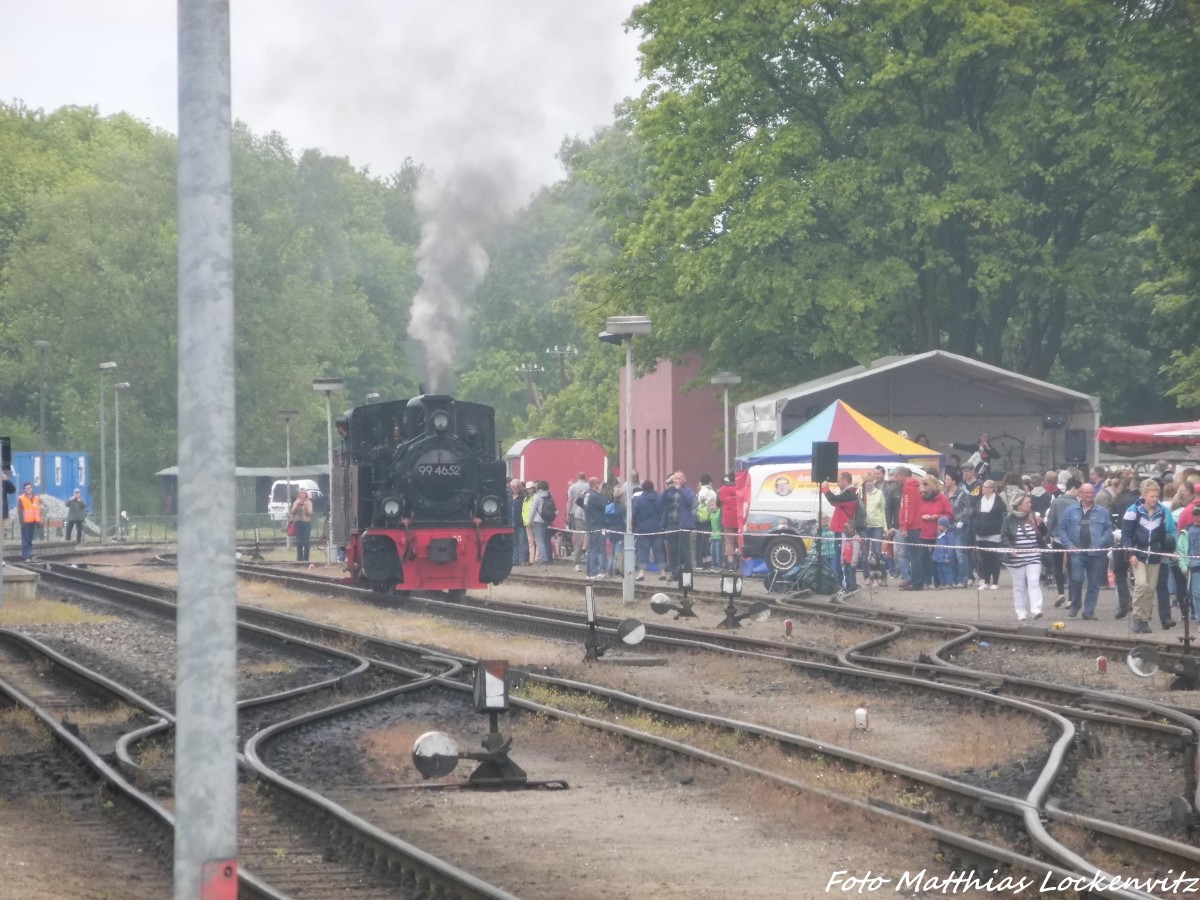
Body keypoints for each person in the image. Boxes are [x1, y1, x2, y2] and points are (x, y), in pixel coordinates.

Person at [1121, 478, 1178, 634]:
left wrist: (1167, 550)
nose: (1155, 499)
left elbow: (1163, 534)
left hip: (1154, 554)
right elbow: (1126, 534)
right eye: (1152, 496)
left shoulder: (1162, 512)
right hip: (1138, 553)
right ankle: (1137, 617)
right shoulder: (1133, 511)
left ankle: (1144, 620)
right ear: (1144, 495)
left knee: (1150, 589)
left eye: (1156, 496)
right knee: (1141, 585)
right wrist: (1130, 553)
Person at [1057, 482, 1114, 620]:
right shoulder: (1070, 511)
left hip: (1096, 554)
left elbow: (1109, 529)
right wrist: (1068, 545)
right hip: (1077, 552)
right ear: (1080, 494)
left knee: (1094, 583)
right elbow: (1061, 528)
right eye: (1086, 493)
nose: (1089, 495)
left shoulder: (1102, 512)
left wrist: (1101, 542)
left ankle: (1089, 611)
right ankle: (1075, 604)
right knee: (1076, 579)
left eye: (1091, 493)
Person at [1002, 493, 1046, 621]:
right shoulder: (1008, 519)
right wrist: (1010, 549)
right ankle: (1021, 611)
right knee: (1019, 585)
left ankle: (1036, 609)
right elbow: (1004, 536)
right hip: (1016, 558)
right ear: (1019, 505)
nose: (1030, 505)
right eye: (1028, 503)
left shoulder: (1033, 516)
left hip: (1033, 555)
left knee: (1034, 581)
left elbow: (1042, 534)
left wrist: (1041, 524)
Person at [907, 475, 952, 591]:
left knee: (937, 559)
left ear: (933, 485)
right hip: (922, 532)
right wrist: (921, 517)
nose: (923, 486)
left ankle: (938, 582)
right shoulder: (919, 498)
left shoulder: (942, 499)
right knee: (923, 558)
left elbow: (949, 515)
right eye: (922, 484)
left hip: (938, 534)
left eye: (926, 484)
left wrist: (936, 517)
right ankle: (925, 581)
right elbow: (913, 513)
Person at [821, 472, 861, 596]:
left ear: (845, 481)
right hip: (843, 530)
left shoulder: (849, 494)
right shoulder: (848, 494)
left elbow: (833, 500)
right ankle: (847, 585)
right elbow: (835, 502)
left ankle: (847, 586)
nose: (837, 483)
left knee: (845, 560)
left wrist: (825, 488)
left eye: (838, 481)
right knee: (843, 559)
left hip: (844, 531)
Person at [1044, 477, 1080, 607]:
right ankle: (1071, 598)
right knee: (1072, 569)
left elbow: (1051, 519)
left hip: (1057, 538)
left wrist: (1047, 535)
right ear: (1074, 489)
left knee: (1057, 567)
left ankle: (1060, 593)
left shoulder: (1057, 501)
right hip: (1073, 540)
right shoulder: (1078, 503)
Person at [659, 471, 697, 579]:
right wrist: (666, 489)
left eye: (679, 479)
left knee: (684, 550)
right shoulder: (669, 492)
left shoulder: (688, 491)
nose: (676, 481)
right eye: (675, 479)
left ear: (684, 479)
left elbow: (689, 501)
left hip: (683, 524)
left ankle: (687, 572)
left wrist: (679, 489)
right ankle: (674, 572)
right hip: (671, 524)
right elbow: (660, 503)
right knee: (672, 550)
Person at [971, 480, 1007, 590]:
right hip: (980, 534)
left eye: (985, 487)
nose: (983, 489)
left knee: (994, 558)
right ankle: (986, 581)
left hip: (994, 534)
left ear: (991, 489)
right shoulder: (979, 501)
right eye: (983, 487)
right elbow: (974, 514)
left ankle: (995, 581)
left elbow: (1002, 517)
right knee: (984, 558)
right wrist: (975, 525)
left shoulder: (999, 502)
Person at [576, 477, 608, 579]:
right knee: (595, 549)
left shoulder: (587, 495)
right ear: (596, 484)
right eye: (598, 483)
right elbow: (605, 507)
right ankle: (594, 572)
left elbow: (578, 502)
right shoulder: (595, 496)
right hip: (597, 524)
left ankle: (589, 572)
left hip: (589, 524)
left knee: (590, 549)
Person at [633, 480, 663, 581]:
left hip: (643, 529)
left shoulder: (639, 499)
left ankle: (641, 573)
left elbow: (634, 514)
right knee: (658, 551)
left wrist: (633, 526)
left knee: (643, 552)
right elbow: (663, 511)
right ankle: (662, 572)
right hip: (657, 529)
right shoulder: (659, 497)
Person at [694, 475, 718, 569]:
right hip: (708, 518)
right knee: (707, 540)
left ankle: (699, 562)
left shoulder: (698, 492)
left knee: (699, 540)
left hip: (698, 518)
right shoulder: (711, 492)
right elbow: (716, 503)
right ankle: (707, 562)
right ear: (710, 482)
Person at [567, 472, 589, 571]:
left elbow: (569, 500)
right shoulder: (589, 487)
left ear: (577, 477)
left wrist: (567, 514)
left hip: (575, 512)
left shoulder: (572, 487)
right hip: (588, 515)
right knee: (588, 536)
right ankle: (585, 556)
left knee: (577, 536)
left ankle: (576, 560)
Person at [529, 480, 554, 566]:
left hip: (538, 520)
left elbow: (533, 509)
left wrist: (529, 520)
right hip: (546, 520)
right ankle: (549, 557)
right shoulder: (549, 494)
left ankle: (544, 559)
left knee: (540, 540)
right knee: (547, 540)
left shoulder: (537, 496)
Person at [717, 474, 739, 569]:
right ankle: (739, 561)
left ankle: (730, 563)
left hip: (727, 519)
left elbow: (718, 504)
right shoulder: (741, 489)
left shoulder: (721, 490)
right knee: (740, 541)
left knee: (729, 541)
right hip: (740, 519)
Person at [16, 482, 41, 561]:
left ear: (32, 488)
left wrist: (38, 521)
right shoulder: (21, 498)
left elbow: (37, 509)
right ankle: (25, 556)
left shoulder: (35, 497)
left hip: (33, 521)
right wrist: (22, 523)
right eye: (27, 488)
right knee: (25, 540)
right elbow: (20, 512)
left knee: (30, 539)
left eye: (29, 487)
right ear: (24, 489)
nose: (28, 489)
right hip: (25, 522)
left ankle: (29, 554)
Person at [290, 488, 313, 562]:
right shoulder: (296, 502)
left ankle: (306, 559)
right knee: (299, 542)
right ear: (298, 495)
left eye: (304, 493)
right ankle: (299, 559)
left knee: (306, 542)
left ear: (306, 494)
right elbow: (292, 511)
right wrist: (297, 505)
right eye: (300, 493)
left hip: (306, 523)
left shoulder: (309, 502)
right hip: (298, 523)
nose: (302, 495)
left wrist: (305, 506)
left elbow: (309, 513)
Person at [932, 516, 956, 588]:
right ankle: (943, 583)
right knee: (940, 571)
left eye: (940, 525)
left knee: (947, 571)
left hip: (945, 557)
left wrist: (949, 557)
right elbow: (937, 546)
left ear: (945, 526)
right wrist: (934, 555)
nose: (938, 526)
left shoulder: (949, 535)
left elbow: (950, 548)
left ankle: (949, 583)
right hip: (939, 557)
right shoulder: (939, 535)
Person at [509, 480, 528, 566]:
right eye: (513, 487)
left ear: (520, 487)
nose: (515, 489)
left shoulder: (523, 497)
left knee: (522, 541)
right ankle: (514, 560)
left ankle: (522, 559)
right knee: (514, 542)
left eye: (517, 487)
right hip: (511, 522)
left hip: (520, 523)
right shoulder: (509, 496)